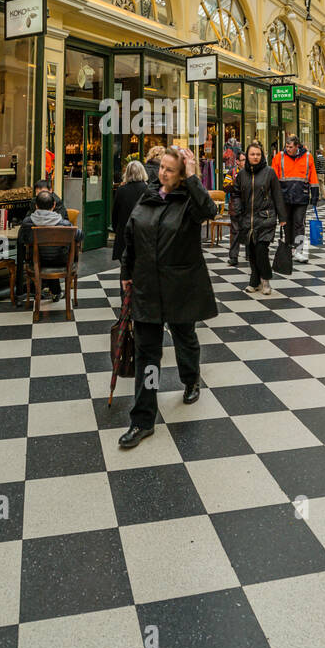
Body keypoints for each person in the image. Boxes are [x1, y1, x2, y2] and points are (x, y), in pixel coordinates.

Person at [118, 146, 218, 449]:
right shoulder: (148, 196)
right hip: (147, 288)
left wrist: (192, 177)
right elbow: (131, 235)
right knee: (148, 353)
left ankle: (191, 379)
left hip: (179, 286)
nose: (162, 173)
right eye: (162, 167)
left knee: (184, 337)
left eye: (170, 169)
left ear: (181, 174)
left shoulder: (190, 201)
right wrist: (126, 272)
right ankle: (143, 418)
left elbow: (209, 211)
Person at [233, 141, 286, 296]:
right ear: (247, 156)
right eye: (252, 154)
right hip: (247, 219)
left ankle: (266, 280)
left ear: (262, 156)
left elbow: (277, 195)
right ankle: (254, 281)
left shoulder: (269, 172)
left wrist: (282, 217)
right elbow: (236, 193)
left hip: (265, 218)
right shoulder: (242, 174)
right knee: (251, 251)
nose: (255, 157)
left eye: (258, 154)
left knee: (261, 250)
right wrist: (237, 209)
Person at [16, 189, 83, 304]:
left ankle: (31, 292)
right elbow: (80, 236)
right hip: (61, 262)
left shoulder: (27, 223)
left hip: (36, 263)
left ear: (36, 206)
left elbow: (21, 241)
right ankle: (56, 291)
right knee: (55, 252)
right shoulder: (64, 224)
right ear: (54, 205)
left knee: (42, 254)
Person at [270, 135, 318, 263]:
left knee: (299, 223)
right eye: (287, 146)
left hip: (301, 196)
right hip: (284, 196)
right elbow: (273, 176)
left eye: (291, 147)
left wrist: (315, 195)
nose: (288, 149)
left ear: (297, 146)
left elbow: (313, 176)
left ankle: (299, 251)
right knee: (287, 224)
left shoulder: (308, 157)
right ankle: (290, 247)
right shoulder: (279, 157)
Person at [111, 159, 149, 261]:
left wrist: (116, 229)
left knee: (125, 267)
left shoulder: (121, 190)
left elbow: (115, 213)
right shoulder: (148, 190)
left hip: (124, 232)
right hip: (142, 233)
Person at [223, 150, 246, 265]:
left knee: (249, 231)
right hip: (236, 206)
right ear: (237, 161)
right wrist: (236, 183)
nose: (245, 162)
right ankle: (233, 257)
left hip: (249, 206)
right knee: (235, 231)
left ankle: (249, 254)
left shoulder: (251, 172)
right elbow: (225, 186)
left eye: (246, 160)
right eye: (243, 160)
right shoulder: (231, 172)